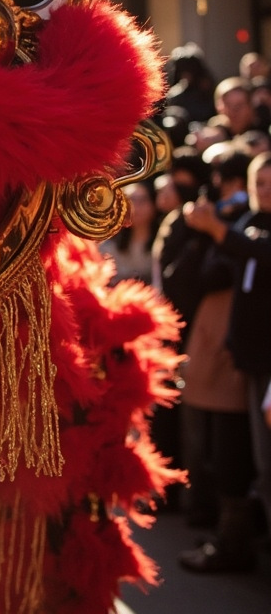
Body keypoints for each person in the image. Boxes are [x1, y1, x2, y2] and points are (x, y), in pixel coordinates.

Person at [179, 152, 271, 571]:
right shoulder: (249, 222)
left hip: (263, 365)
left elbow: (259, 255)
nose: (262, 190)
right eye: (259, 181)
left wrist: (217, 228)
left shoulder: (246, 231)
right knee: (255, 461)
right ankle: (235, 541)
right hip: (249, 360)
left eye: (269, 182)